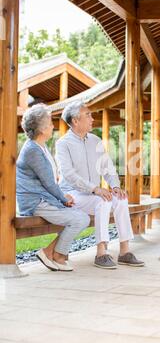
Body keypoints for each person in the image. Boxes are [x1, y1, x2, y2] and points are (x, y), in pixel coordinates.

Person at [55, 100, 144, 270]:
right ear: (75, 120)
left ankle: (124, 252)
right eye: (87, 115)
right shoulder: (63, 144)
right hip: (73, 195)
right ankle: (101, 253)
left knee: (121, 199)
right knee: (102, 201)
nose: (92, 118)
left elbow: (107, 167)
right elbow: (69, 175)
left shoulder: (95, 140)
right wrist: (94, 189)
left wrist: (115, 186)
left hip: (93, 194)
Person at [16, 104, 90, 272]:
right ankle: (55, 255)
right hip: (35, 202)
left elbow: (50, 182)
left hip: (43, 199)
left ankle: (50, 252)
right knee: (80, 219)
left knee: (80, 216)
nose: (52, 126)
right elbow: (49, 183)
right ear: (42, 128)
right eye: (49, 123)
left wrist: (63, 198)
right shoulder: (32, 150)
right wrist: (63, 198)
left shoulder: (40, 147)